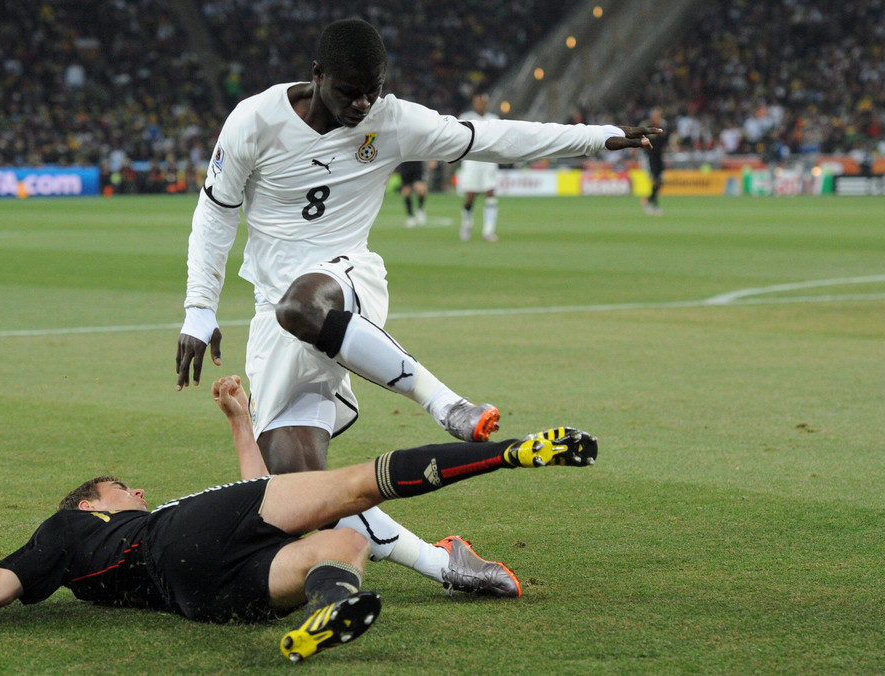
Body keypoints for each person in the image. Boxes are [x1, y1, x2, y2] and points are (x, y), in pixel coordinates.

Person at [174, 19, 657, 594]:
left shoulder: (392, 121)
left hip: (346, 278)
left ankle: (444, 402)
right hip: (272, 311)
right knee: (302, 483)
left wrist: (595, 137)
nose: (362, 102)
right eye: (350, 90)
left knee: (301, 305)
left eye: (372, 89)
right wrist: (199, 308)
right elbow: (215, 213)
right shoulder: (254, 121)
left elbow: (490, 137)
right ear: (317, 76)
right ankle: (445, 563)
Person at [0, 375, 599, 663]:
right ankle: (506, 454)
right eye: (121, 487)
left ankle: (331, 611)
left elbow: (260, 504)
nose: (134, 488)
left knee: (336, 545)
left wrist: (241, 425)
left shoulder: (97, 555)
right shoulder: (77, 530)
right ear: (89, 503)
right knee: (349, 487)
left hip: (205, 598)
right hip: (184, 547)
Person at [457, 92, 501, 242]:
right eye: (478, 102)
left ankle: (488, 230)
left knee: (490, 194)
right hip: (471, 162)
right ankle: (467, 222)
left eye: (483, 102)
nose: (480, 104)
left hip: (488, 163)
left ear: (486, 103)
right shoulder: (466, 117)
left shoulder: (494, 120)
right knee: (470, 196)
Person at [641, 108, 671, 216]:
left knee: (660, 181)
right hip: (649, 157)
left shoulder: (663, 126)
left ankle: (648, 200)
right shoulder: (646, 125)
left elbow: (666, 140)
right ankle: (654, 205)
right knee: (654, 180)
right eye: (655, 114)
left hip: (659, 157)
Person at [397, 160, 428, 227]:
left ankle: (420, 209)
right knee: (406, 191)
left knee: (421, 189)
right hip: (405, 164)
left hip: (417, 163)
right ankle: (410, 216)